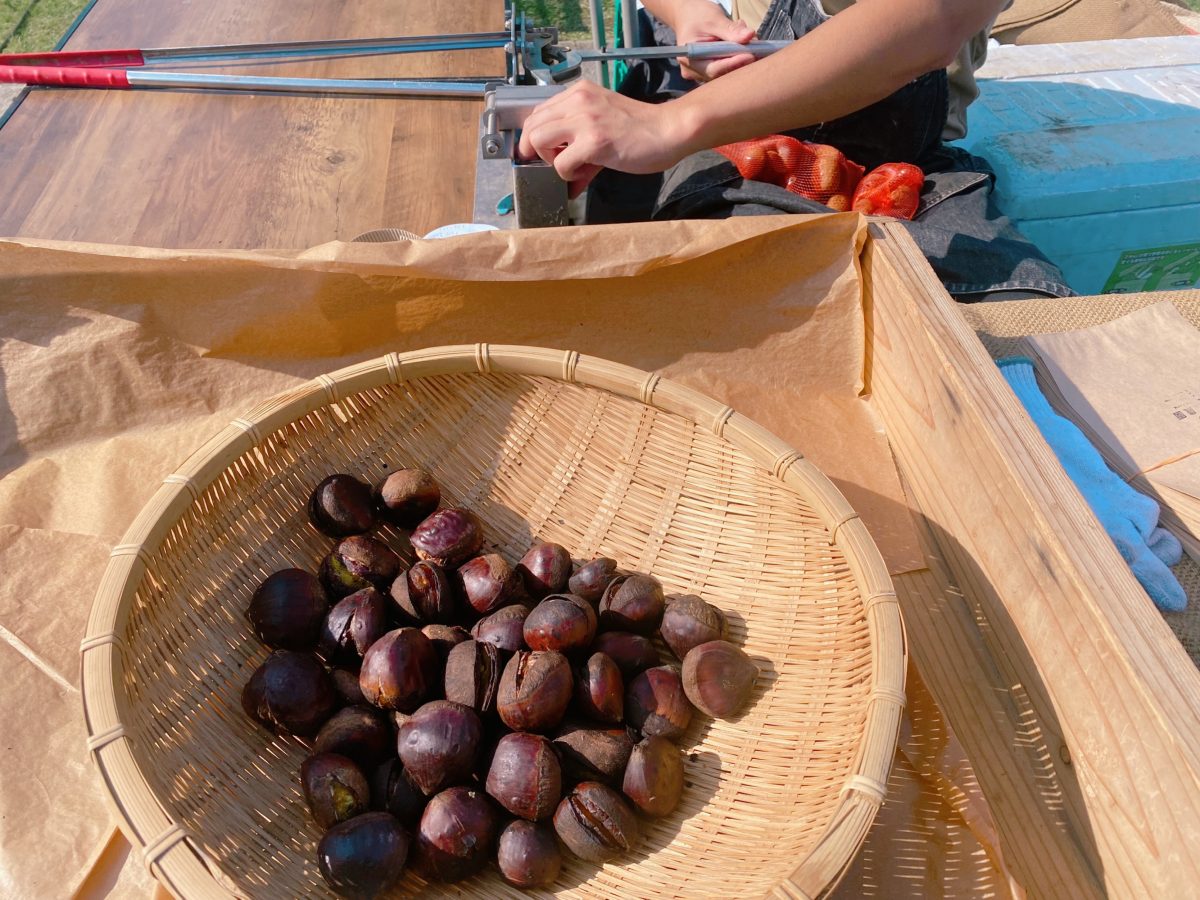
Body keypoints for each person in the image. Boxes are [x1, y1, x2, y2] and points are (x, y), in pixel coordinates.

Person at [518, 0, 1074, 301]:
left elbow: (935, 16)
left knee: (1011, 313)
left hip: (906, 157)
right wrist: (691, 16)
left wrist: (675, 123)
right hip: (726, 122)